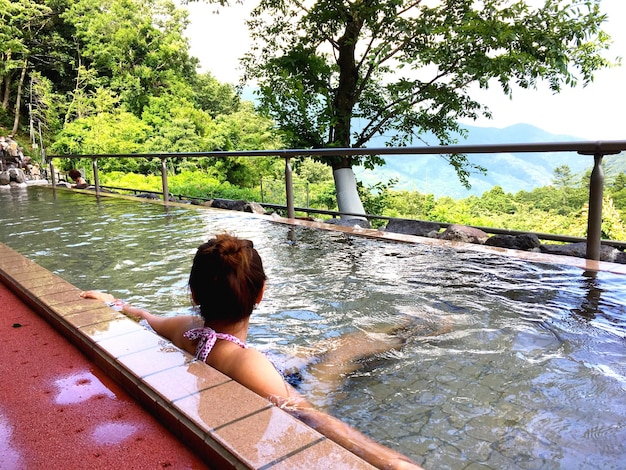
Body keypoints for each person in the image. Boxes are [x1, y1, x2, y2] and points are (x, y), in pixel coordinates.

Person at [81, 233, 422, 469]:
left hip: (259, 373)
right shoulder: (248, 361)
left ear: (194, 293)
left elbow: (146, 318)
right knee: (344, 353)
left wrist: (114, 303)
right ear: (260, 295)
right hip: (272, 387)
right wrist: (387, 461)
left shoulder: (185, 328)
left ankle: (407, 327)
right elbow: (308, 414)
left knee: (323, 347)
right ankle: (417, 327)